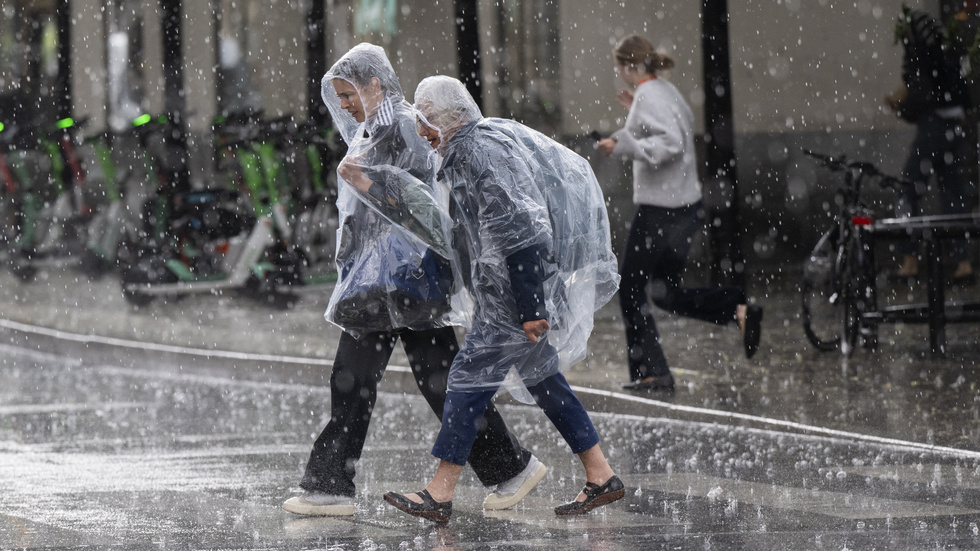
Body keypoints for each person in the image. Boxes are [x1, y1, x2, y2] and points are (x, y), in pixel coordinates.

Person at [282, 44, 545, 517]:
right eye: (338, 96)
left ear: (375, 85)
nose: (342, 105)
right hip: (377, 281)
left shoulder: (406, 126)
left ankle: (331, 486)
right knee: (382, 380)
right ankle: (509, 468)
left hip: (409, 278)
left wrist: (368, 183)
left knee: (406, 380)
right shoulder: (372, 129)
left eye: (348, 94)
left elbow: (428, 203)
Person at [382, 75, 624, 523]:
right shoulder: (463, 152)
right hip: (506, 297)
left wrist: (531, 306)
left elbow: (522, 228)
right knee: (546, 381)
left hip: (512, 302)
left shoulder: (479, 151)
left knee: (466, 381)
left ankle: (440, 491)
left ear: (451, 118)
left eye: (426, 120)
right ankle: (601, 474)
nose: (421, 130)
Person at [594, 34, 762, 392]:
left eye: (618, 65)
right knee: (664, 292)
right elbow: (673, 128)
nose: (618, 72)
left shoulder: (651, 95)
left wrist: (621, 143)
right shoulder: (662, 92)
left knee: (631, 289)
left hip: (661, 210)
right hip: (685, 207)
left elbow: (671, 143)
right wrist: (634, 116)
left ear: (628, 66)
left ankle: (653, 372)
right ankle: (735, 308)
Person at [884, 7, 975, 285]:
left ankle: (910, 261)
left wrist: (901, 104)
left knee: (907, 191)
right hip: (954, 126)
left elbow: (918, 90)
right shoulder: (947, 52)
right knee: (953, 193)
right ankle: (964, 264)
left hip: (935, 127)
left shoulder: (923, 55)